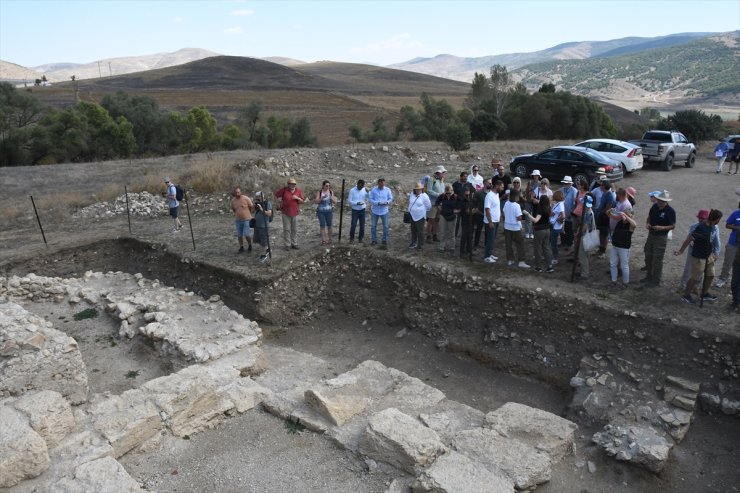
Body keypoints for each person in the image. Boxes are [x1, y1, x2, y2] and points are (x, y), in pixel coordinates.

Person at [675, 209, 723, 304]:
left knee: (710, 275)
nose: (719, 221)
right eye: (719, 219)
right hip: (698, 257)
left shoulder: (714, 227)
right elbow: (689, 239)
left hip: (708, 256)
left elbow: (715, 241)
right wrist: (681, 251)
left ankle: (704, 294)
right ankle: (686, 295)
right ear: (716, 219)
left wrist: (715, 253)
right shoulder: (701, 228)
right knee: (695, 277)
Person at [642, 190, 676, 287]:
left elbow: (673, 226)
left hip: (661, 237)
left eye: (662, 201)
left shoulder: (670, 211)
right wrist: (647, 223)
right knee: (648, 255)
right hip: (651, 234)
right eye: (659, 200)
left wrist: (662, 228)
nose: (660, 202)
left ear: (666, 202)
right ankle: (649, 276)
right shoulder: (654, 206)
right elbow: (649, 217)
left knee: (657, 259)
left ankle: (656, 280)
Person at [608, 208, 636, 289]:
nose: (625, 216)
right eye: (625, 213)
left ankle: (625, 283)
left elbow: (634, 225)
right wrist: (610, 210)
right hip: (615, 245)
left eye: (628, 214)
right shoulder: (619, 221)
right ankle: (614, 281)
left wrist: (626, 216)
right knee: (613, 263)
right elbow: (609, 214)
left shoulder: (630, 225)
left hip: (624, 248)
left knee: (624, 265)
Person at [524, 195, 553, 273]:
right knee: (547, 248)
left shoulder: (541, 210)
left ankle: (538, 267)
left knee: (538, 248)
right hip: (547, 230)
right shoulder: (548, 208)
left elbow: (535, 220)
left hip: (539, 230)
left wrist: (527, 214)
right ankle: (549, 266)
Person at [274, 178, 306, 250]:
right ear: (288, 184)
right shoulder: (284, 190)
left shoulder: (298, 191)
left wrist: (297, 198)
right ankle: (287, 244)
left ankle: (294, 243)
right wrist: (278, 204)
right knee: (286, 229)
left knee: (294, 229)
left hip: (295, 212)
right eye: (291, 184)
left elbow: (302, 201)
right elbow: (276, 195)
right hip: (285, 212)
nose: (292, 185)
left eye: (294, 184)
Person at [715, 200, 740, 288]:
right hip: (733, 243)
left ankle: (736, 281)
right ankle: (723, 278)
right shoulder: (735, 214)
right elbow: (728, 225)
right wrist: (737, 228)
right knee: (728, 262)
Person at [502, 189, 529, 268]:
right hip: (515, 227)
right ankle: (521, 261)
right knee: (520, 244)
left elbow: (503, 212)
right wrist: (523, 216)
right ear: (516, 196)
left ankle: (510, 260)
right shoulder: (517, 205)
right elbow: (519, 218)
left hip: (507, 226)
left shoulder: (506, 203)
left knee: (508, 243)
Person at [575, 194, 596, 280]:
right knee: (585, 255)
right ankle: (583, 271)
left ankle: (584, 274)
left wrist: (578, 234)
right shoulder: (589, 211)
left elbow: (585, 226)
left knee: (582, 255)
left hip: (585, 236)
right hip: (588, 235)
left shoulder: (587, 213)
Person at [369, 177, 393, 248]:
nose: (382, 185)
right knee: (373, 226)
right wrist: (377, 203)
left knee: (385, 226)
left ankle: (384, 240)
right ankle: (374, 240)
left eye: (383, 183)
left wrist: (387, 202)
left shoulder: (387, 190)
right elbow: (370, 199)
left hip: (384, 211)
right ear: (378, 183)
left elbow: (390, 198)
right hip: (375, 211)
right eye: (381, 184)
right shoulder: (373, 190)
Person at [435, 184, 459, 254]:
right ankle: (442, 247)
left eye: (449, 193)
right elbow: (437, 202)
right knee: (442, 232)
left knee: (451, 233)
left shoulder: (456, 197)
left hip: (452, 216)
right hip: (443, 216)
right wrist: (439, 207)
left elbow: (461, 205)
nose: (448, 195)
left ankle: (452, 247)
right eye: (447, 193)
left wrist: (457, 210)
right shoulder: (442, 196)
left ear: (452, 191)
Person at [407, 182, 431, 251]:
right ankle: (413, 242)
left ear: (422, 189)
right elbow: (410, 203)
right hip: (412, 215)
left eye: (420, 189)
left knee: (420, 231)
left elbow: (428, 206)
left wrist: (421, 211)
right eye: (417, 189)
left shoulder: (424, 196)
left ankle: (420, 245)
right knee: (413, 230)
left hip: (420, 216)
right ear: (414, 190)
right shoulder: (412, 194)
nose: (418, 190)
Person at [483, 179, 502, 263]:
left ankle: (490, 254)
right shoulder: (489, 195)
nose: (502, 188)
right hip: (491, 221)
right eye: (502, 187)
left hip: (496, 220)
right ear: (497, 186)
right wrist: (490, 221)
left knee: (492, 239)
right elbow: (487, 209)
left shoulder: (496, 194)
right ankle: (487, 256)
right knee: (490, 239)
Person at [230, 186, 254, 253]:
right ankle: (241, 246)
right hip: (238, 220)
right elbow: (233, 209)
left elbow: (251, 206)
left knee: (246, 234)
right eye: (236, 192)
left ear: (240, 192)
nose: (237, 193)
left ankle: (250, 245)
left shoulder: (246, 198)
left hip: (247, 219)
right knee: (239, 235)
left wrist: (248, 212)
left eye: (238, 192)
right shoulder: (233, 200)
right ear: (234, 193)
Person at [425, 165, 446, 242]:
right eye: (443, 172)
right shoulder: (432, 179)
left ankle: (435, 234)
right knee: (431, 220)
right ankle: (429, 235)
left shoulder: (441, 180)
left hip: (439, 203)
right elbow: (429, 191)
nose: (444, 173)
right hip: (433, 203)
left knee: (437, 220)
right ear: (439, 172)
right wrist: (439, 195)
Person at [314, 180, 337, 245]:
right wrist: (322, 198)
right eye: (327, 186)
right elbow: (316, 201)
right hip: (321, 211)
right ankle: (324, 240)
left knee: (329, 225)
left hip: (329, 211)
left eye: (329, 186)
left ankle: (330, 239)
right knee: (322, 226)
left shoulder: (330, 192)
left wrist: (331, 197)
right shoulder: (320, 192)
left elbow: (335, 201)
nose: (328, 187)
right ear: (323, 186)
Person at [252, 191, 273, 264]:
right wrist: (254, 207)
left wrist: (261, 208)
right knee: (258, 240)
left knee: (264, 241)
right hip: (257, 225)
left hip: (264, 226)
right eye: (257, 197)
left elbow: (269, 213)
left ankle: (263, 255)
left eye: (260, 197)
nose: (259, 198)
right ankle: (267, 250)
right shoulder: (257, 203)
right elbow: (252, 211)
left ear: (263, 196)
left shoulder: (267, 203)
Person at [471, 178, 490, 249]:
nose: (490, 184)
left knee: (487, 231)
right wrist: (476, 209)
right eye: (489, 183)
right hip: (480, 214)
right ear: (484, 183)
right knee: (478, 230)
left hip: (488, 215)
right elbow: (474, 202)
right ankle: (476, 244)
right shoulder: (479, 193)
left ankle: (486, 244)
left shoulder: (491, 193)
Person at [559, 176, 577, 250]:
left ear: (570, 184)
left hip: (570, 213)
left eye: (567, 183)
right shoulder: (561, 190)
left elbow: (575, 203)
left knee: (569, 229)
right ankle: (563, 242)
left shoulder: (574, 191)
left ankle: (569, 244)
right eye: (564, 183)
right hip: (562, 213)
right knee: (562, 228)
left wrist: (572, 212)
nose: (565, 184)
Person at [348, 179, 368, 244]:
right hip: (355, 210)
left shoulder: (364, 189)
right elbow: (349, 201)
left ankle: (361, 238)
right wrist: (356, 203)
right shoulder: (352, 190)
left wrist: (368, 193)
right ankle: (351, 238)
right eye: (360, 186)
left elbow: (369, 198)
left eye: (362, 187)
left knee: (362, 225)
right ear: (357, 184)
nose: (361, 188)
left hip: (362, 209)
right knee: (353, 224)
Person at [523, 170, 542, 239]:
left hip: (535, 203)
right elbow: (526, 191)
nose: (535, 177)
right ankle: (527, 232)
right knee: (527, 217)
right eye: (534, 175)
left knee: (534, 218)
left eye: (537, 175)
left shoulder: (540, 184)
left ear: (538, 176)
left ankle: (532, 232)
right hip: (528, 201)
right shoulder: (529, 182)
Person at [458, 186, 475, 258]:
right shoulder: (462, 201)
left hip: (471, 221)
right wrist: (475, 210)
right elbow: (468, 212)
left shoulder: (471, 200)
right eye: (466, 195)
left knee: (470, 237)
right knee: (464, 237)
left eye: (469, 195)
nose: (468, 196)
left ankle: (469, 250)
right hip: (465, 221)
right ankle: (462, 252)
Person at [550, 189, 565, 265]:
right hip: (554, 226)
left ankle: (555, 258)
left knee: (553, 243)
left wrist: (556, 220)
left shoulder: (560, 205)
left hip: (555, 227)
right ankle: (553, 256)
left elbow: (563, 216)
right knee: (552, 242)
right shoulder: (558, 204)